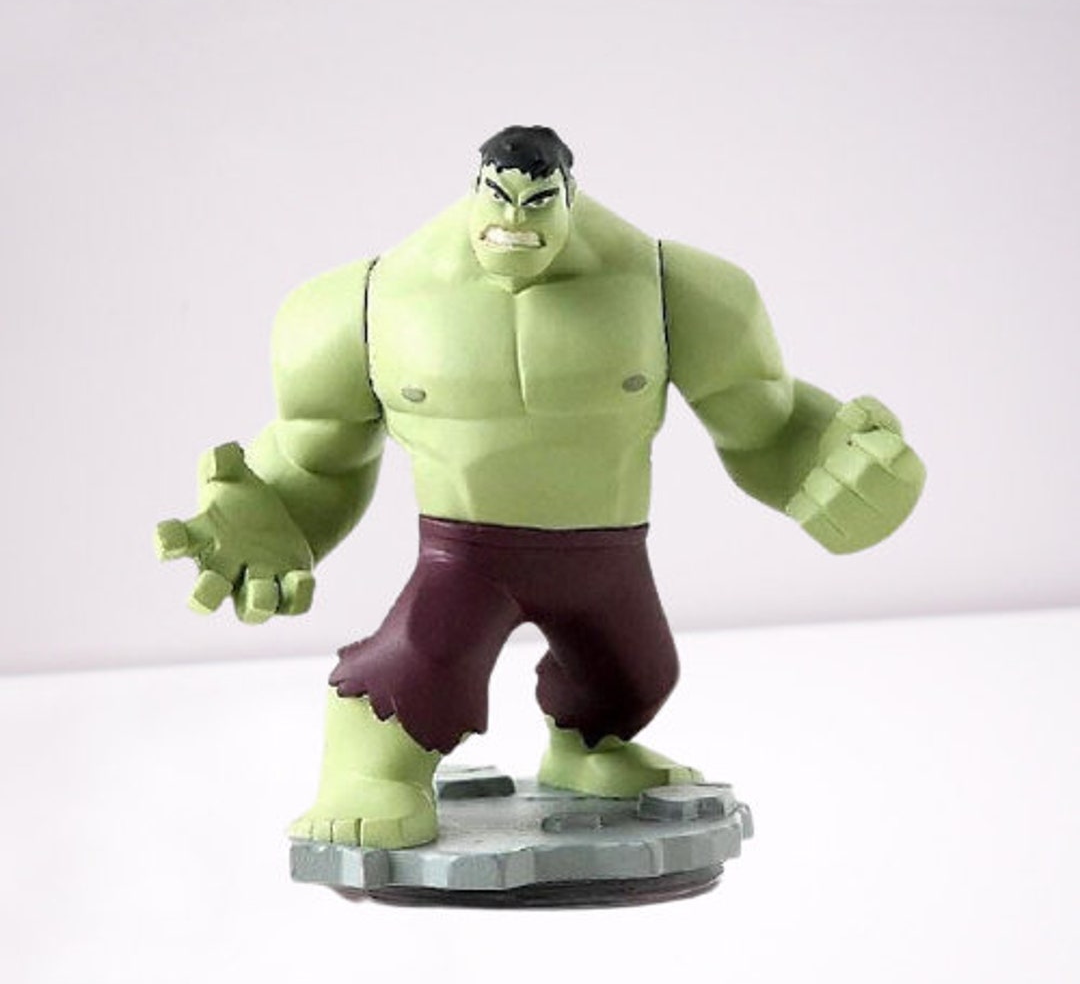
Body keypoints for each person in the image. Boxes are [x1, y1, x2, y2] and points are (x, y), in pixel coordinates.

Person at [158, 125, 924, 848]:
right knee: (420, 668)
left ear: (567, 195)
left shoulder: (673, 288)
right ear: (477, 189)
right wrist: (269, 515)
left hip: (609, 552)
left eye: (537, 203)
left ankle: (585, 752)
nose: (515, 223)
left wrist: (833, 466)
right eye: (499, 198)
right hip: (467, 555)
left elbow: (765, 425)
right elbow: (317, 460)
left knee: (638, 677)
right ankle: (366, 775)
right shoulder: (365, 301)